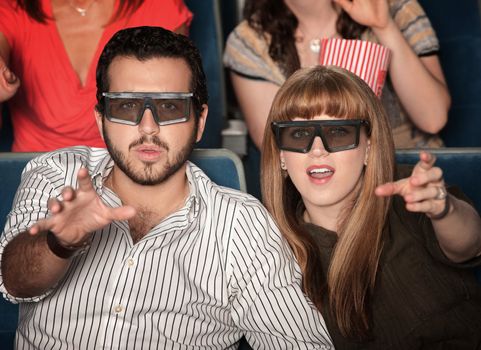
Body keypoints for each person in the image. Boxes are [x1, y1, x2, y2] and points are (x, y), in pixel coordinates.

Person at [0, 26, 334, 349]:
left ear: (199, 122)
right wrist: (60, 243)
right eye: (127, 106)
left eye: (170, 107)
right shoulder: (57, 173)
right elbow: (15, 282)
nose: (148, 126)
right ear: (100, 119)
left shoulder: (240, 224)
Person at [261, 65, 481, 348]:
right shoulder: (267, 247)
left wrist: (444, 210)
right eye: (298, 134)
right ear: (281, 154)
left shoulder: (409, 191)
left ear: (368, 146)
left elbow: (470, 244)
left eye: (338, 132)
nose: (318, 149)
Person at [224, 0, 451, 151]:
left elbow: (432, 118)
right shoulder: (249, 42)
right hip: (318, 190)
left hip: (407, 168)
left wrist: (384, 27)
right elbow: (277, 150)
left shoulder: (396, 7)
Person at [0, 0, 192, 152]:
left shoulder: (159, 6)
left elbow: (176, 114)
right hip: (36, 175)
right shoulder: (13, 8)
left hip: (131, 171)